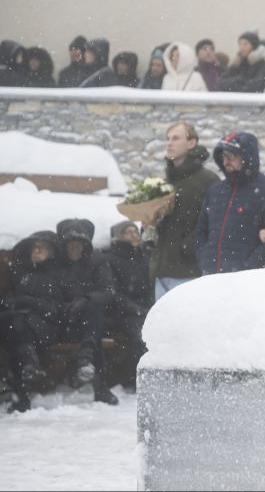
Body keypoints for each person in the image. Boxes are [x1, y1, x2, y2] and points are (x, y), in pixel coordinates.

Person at [196, 132, 265, 274]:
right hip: (210, 274)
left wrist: (249, 266)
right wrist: (204, 259)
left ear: (247, 157)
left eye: (231, 156)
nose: (226, 161)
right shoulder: (215, 191)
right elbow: (201, 231)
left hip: (247, 278)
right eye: (223, 156)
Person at [150, 122, 219, 300]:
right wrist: (149, 224)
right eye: (167, 139)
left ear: (191, 143)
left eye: (175, 138)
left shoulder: (208, 180)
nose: (169, 143)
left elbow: (215, 222)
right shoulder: (164, 181)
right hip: (162, 270)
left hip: (190, 271)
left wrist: (189, 246)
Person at [55, 218, 119, 405]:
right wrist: (67, 307)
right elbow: (49, 294)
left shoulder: (97, 262)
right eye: (70, 244)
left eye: (79, 244)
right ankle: (97, 381)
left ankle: (87, 360)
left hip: (89, 321)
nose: (74, 248)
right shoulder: (56, 264)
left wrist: (85, 300)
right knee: (93, 334)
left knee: (94, 317)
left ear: (85, 246)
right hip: (60, 321)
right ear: (64, 246)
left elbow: (109, 291)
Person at [0, 231, 60, 412]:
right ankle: (25, 370)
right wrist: (10, 301)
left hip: (47, 327)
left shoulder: (56, 275)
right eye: (35, 247)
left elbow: (55, 310)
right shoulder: (21, 273)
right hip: (18, 326)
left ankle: (16, 387)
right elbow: (10, 298)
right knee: (14, 333)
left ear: (52, 252)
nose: (37, 251)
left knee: (16, 329)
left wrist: (27, 302)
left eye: (42, 248)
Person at [100, 221, 152, 386]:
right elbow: (113, 292)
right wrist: (138, 310)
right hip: (121, 312)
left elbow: (150, 286)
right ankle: (137, 378)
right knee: (141, 335)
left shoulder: (144, 256)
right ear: (117, 237)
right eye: (128, 232)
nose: (133, 235)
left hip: (144, 309)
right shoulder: (109, 259)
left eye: (135, 231)